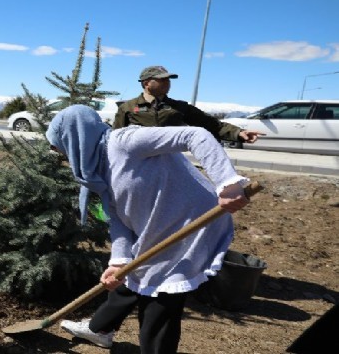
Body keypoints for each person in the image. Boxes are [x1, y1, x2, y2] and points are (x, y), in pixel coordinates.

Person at [47, 105, 250, 352]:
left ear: (75, 139)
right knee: (138, 279)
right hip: (160, 227)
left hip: (193, 224)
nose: (59, 154)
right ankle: (101, 329)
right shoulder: (97, 171)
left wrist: (227, 183)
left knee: (160, 299)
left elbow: (195, 134)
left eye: (60, 147)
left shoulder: (125, 142)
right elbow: (119, 218)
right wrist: (119, 260)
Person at [113, 65, 263, 144]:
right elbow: (115, 138)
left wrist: (238, 133)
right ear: (146, 83)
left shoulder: (179, 107)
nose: (167, 83)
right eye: (162, 80)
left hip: (170, 161)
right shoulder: (128, 107)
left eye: (168, 80)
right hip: (137, 162)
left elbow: (211, 124)